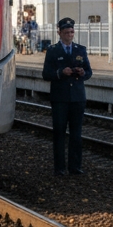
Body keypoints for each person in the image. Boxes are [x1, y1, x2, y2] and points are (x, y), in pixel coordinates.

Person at [41, 17, 92, 176]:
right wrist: (60, 73)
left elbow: (89, 71)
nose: (70, 35)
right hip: (60, 98)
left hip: (77, 97)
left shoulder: (80, 50)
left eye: (71, 32)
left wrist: (82, 73)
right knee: (59, 133)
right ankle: (60, 168)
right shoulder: (53, 50)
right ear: (59, 33)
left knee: (76, 133)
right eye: (66, 32)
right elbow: (46, 74)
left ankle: (75, 166)